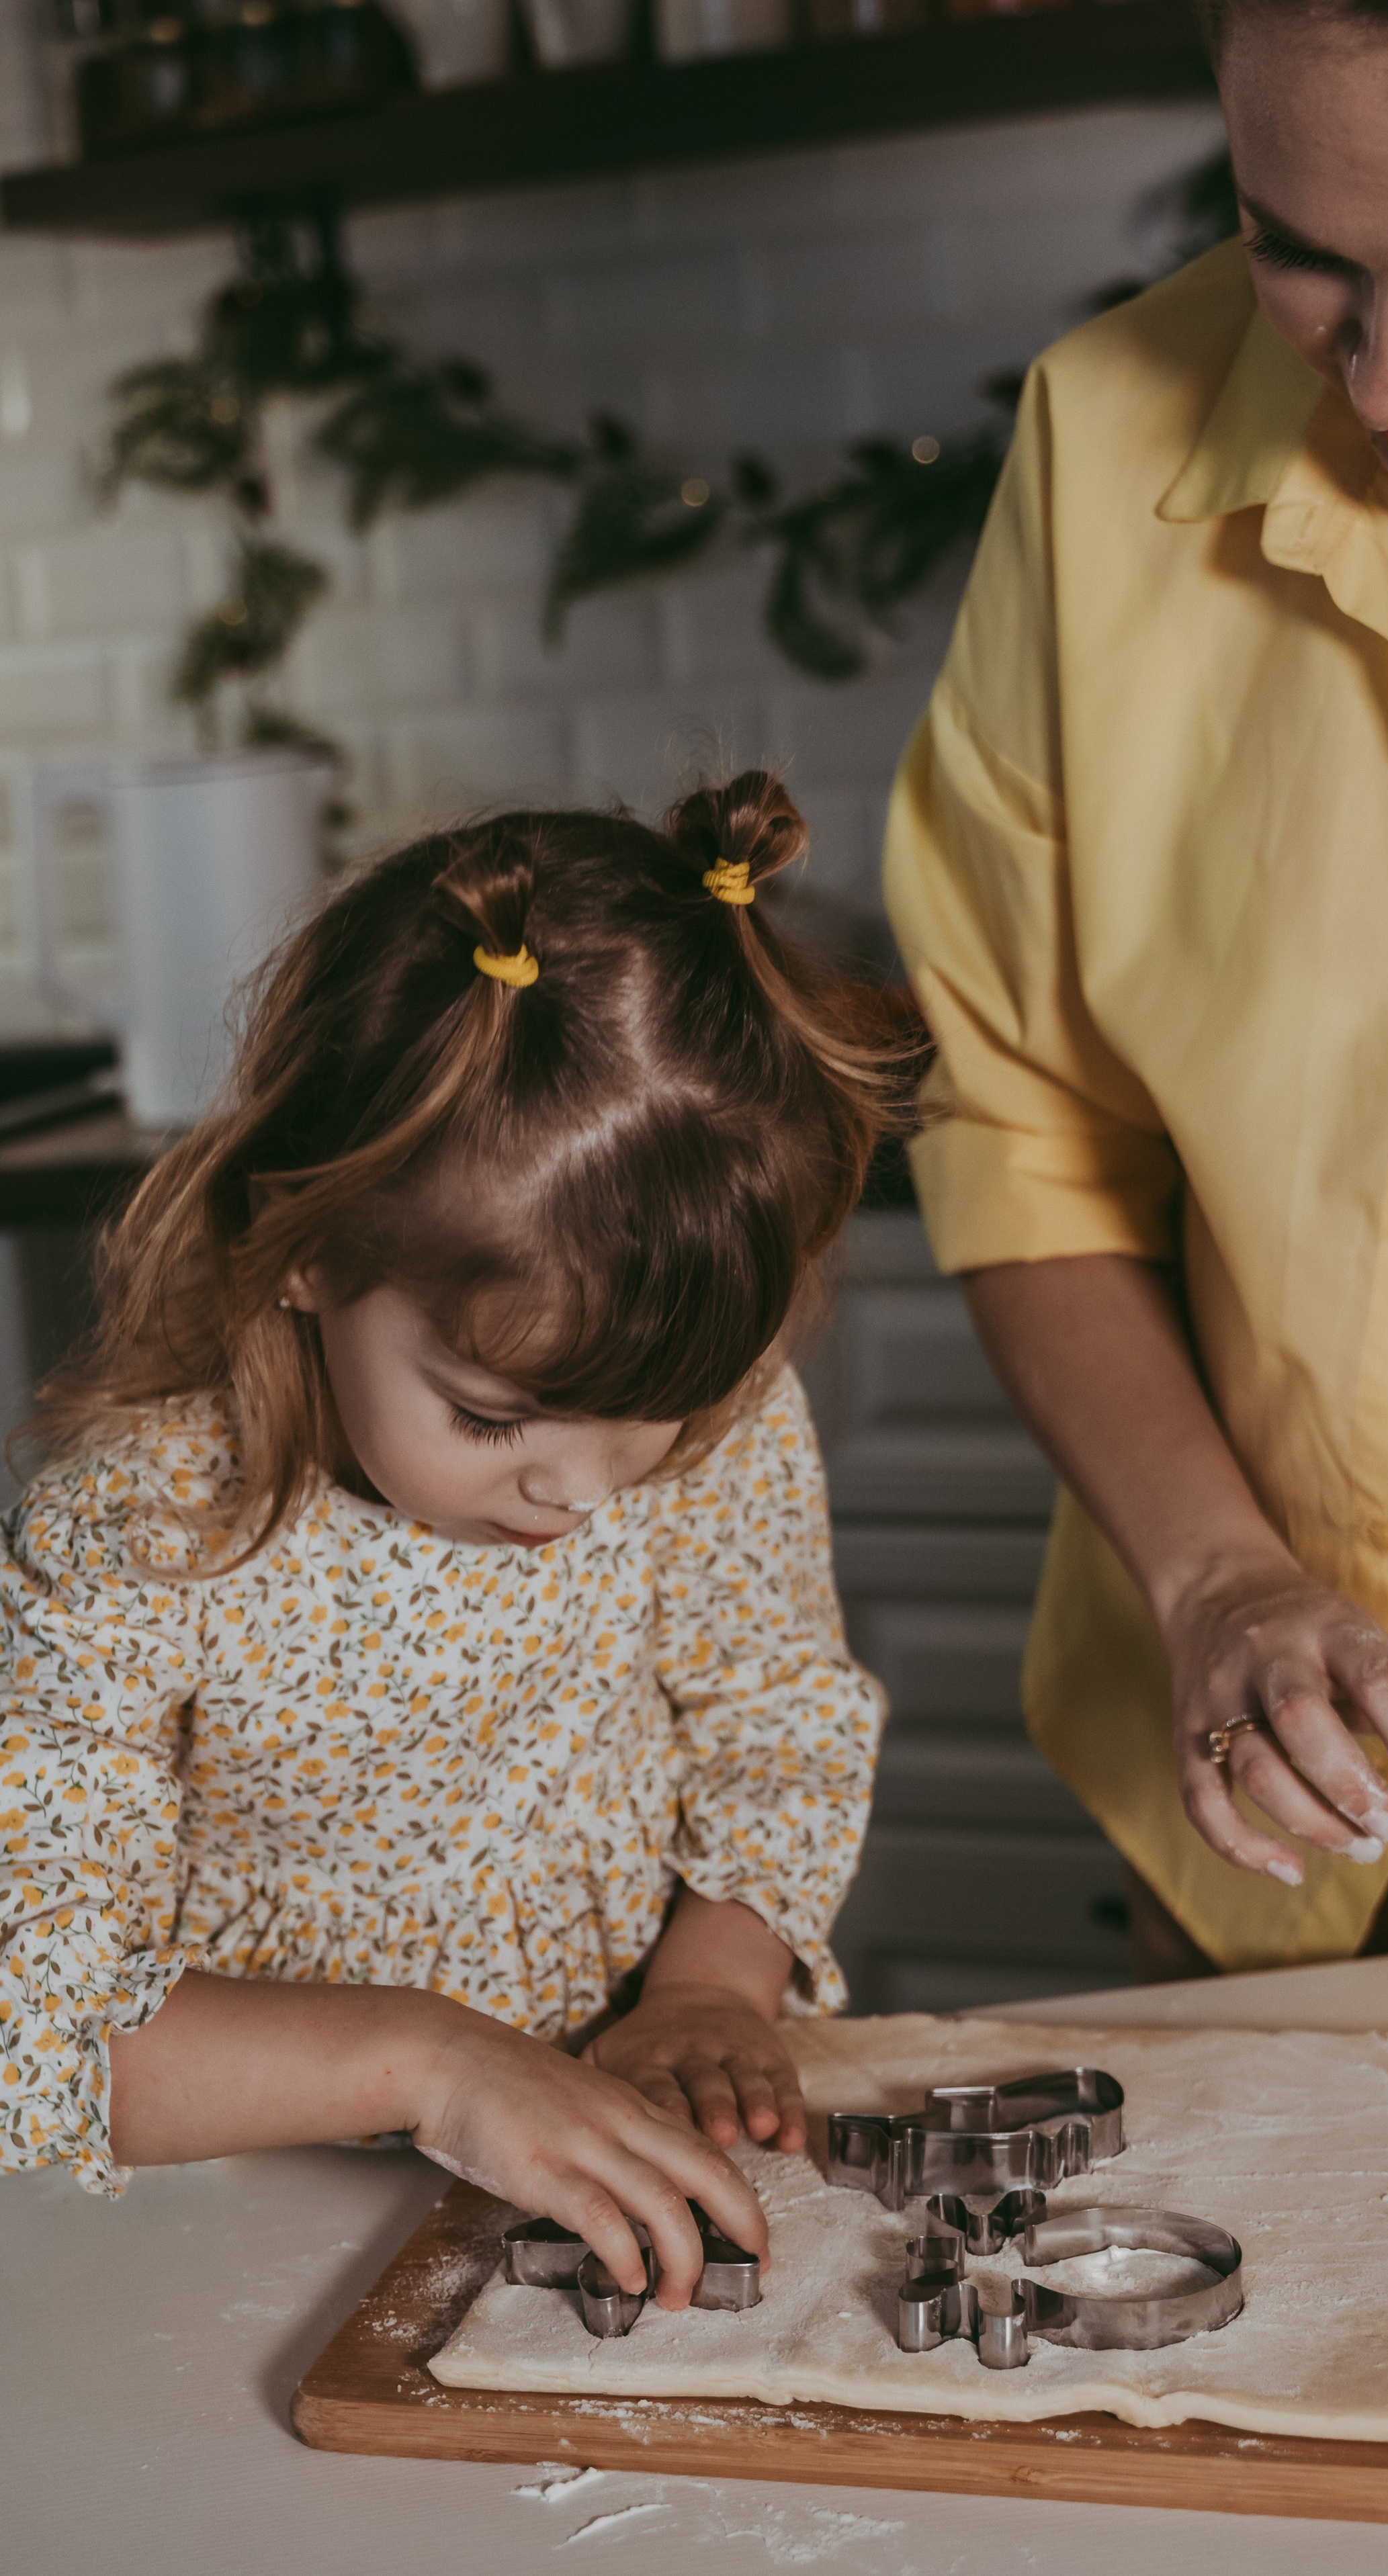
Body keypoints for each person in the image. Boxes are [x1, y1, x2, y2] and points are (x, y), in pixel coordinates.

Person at [883, 0, 1388, 1980]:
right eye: (1304, 252)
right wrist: (1215, 1581)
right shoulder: (1107, 442)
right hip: (1253, 1875)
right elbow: (1023, 1128)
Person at [0, 773, 890, 2310]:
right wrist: (433, 2061)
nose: (584, 1494)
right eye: (494, 1416)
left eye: (656, 1423)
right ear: (303, 1242)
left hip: (604, 2148)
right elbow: (43, 2019)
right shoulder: (139, 1522)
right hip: (226, 2228)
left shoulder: (702, 1410)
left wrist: (704, 1987)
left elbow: (775, 1719)